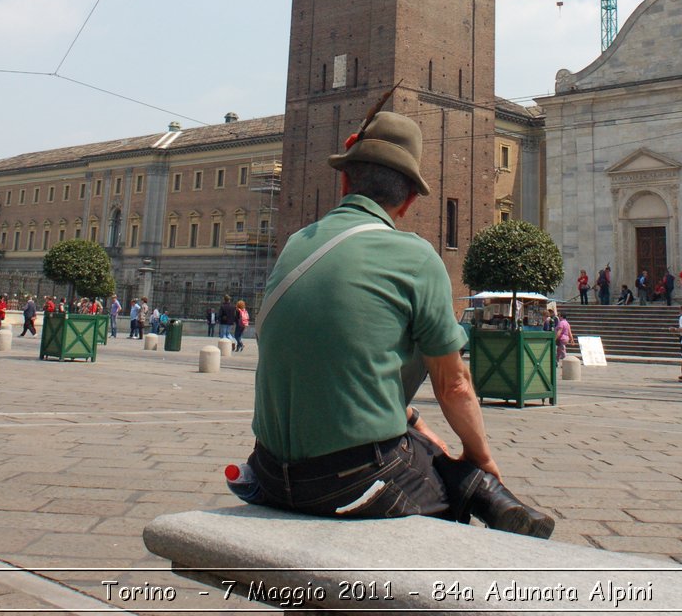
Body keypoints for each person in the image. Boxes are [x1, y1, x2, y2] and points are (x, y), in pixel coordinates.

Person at [232, 110, 555, 538]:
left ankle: (481, 491)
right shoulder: (417, 257)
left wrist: (416, 424)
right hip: (348, 481)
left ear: (345, 182)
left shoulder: (295, 244)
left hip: (269, 472)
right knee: (447, 504)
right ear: (409, 201)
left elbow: (342, 361)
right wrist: (482, 459)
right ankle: (483, 492)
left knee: (419, 450)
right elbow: (454, 385)